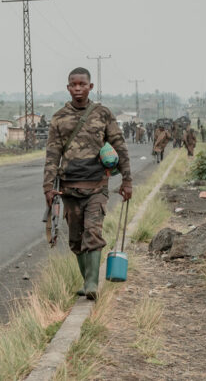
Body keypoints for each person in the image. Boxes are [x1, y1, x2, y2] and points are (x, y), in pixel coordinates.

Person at [43, 68, 132, 301]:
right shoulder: (59, 118)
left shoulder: (103, 114)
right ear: (68, 88)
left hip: (97, 187)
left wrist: (127, 180)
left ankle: (92, 283)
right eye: (74, 84)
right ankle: (87, 280)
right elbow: (52, 155)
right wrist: (48, 188)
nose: (78, 88)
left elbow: (120, 146)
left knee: (93, 233)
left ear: (90, 87)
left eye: (83, 84)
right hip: (69, 188)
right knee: (75, 240)